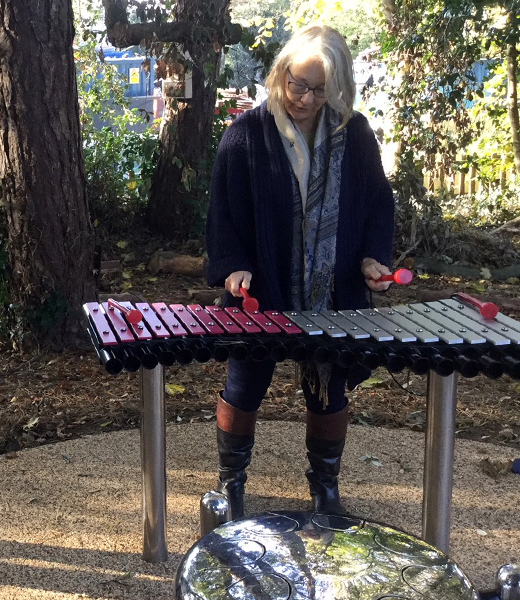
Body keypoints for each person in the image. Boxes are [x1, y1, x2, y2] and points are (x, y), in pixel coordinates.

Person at [205, 24, 395, 518]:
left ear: (337, 88)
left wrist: (373, 258)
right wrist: (233, 267)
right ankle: (231, 484)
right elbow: (223, 213)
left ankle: (324, 486)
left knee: (330, 390)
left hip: (330, 291)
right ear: (281, 74)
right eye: (297, 84)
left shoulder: (354, 135)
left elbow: (377, 204)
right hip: (262, 287)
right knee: (244, 384)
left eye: (318, 89)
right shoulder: (246, 135)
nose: (305, 98)